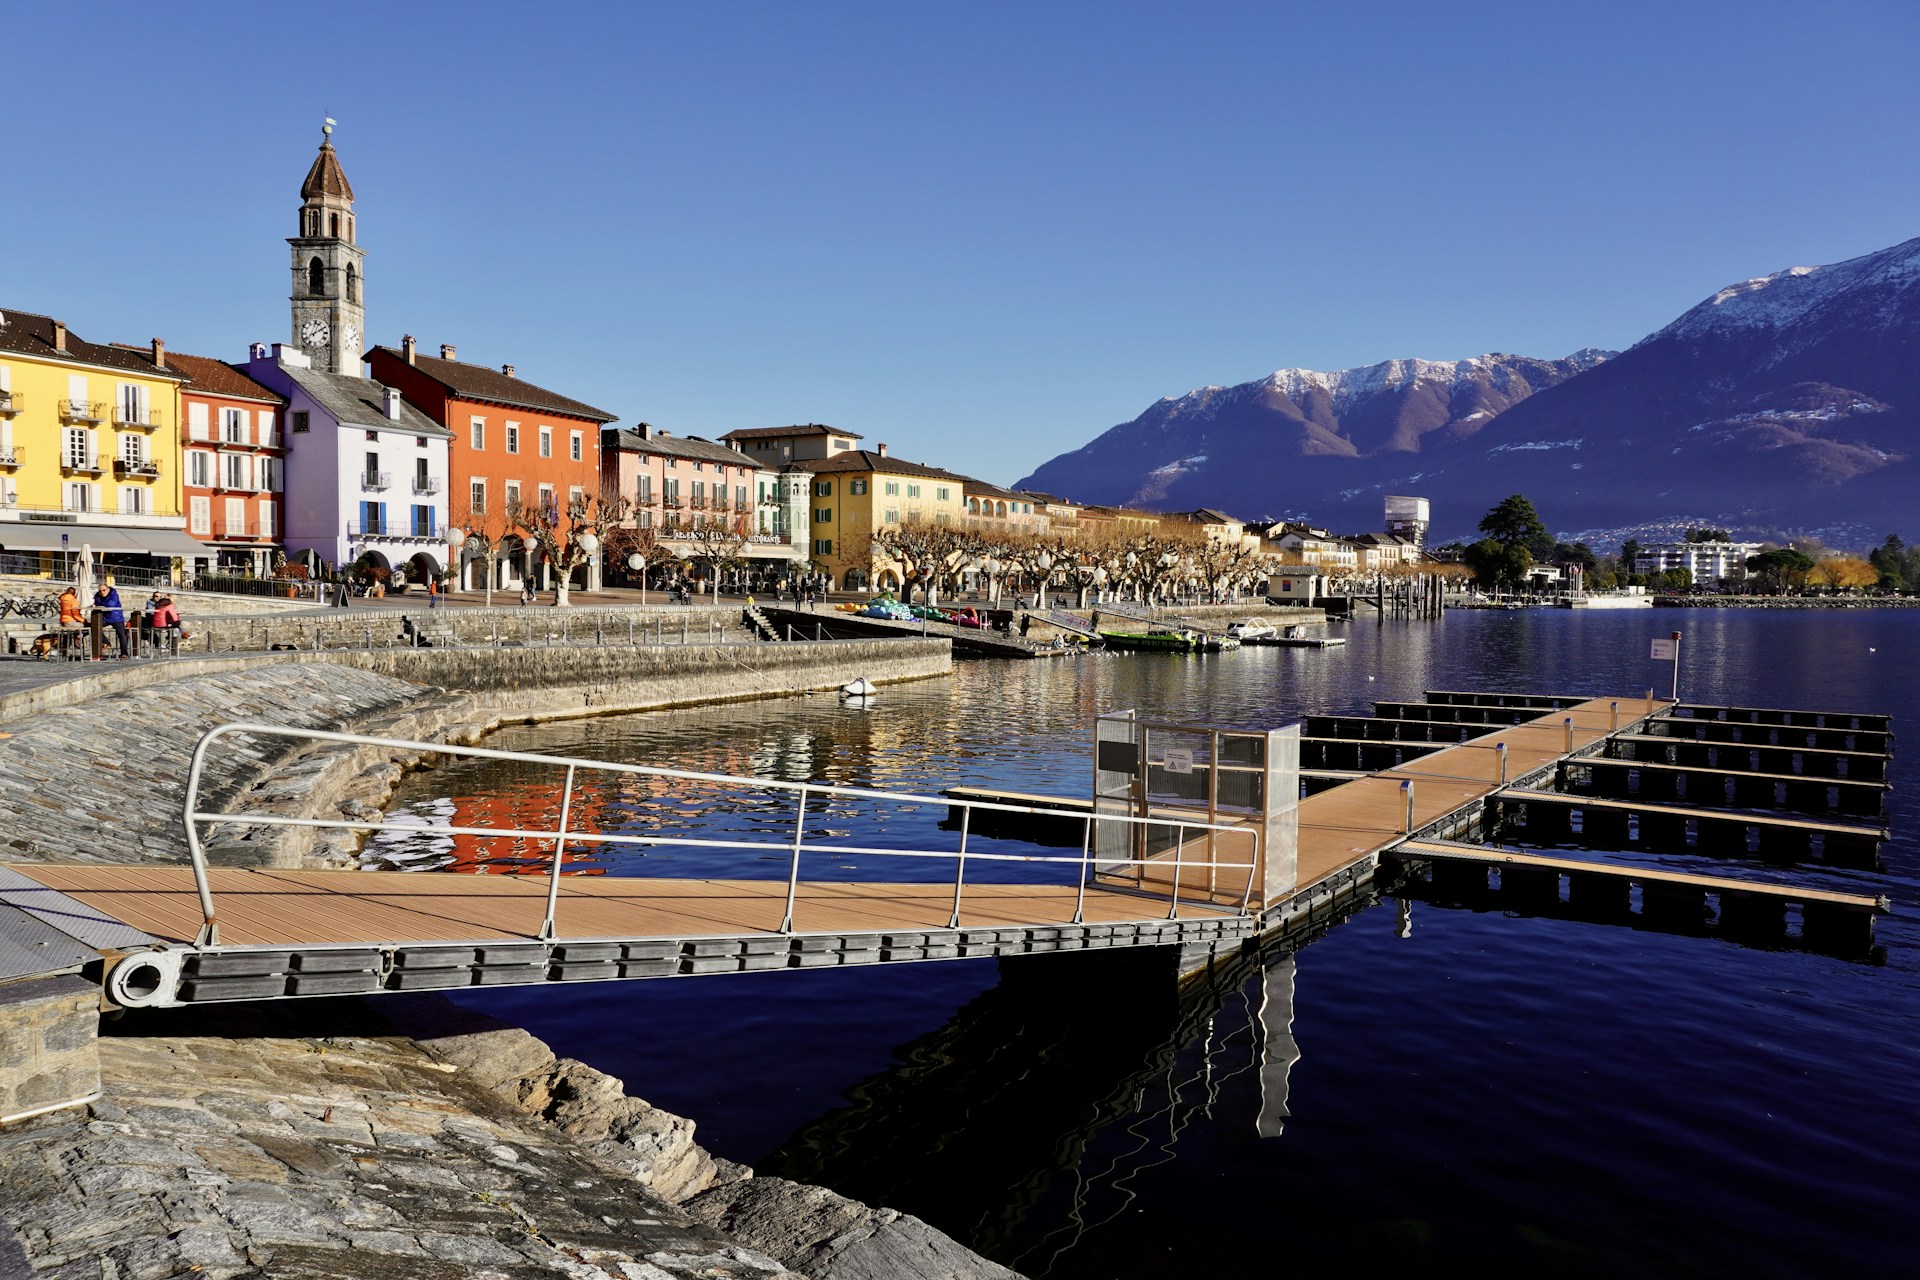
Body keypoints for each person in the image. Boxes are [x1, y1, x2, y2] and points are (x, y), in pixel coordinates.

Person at [93, 579, 128, 659]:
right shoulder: (97, 595)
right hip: (105, 617)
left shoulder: (114, 594)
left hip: (116, 617)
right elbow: (96, 602)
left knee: (122, 635)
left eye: (104, 590)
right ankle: (106, 642)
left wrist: (101, 604)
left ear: (108, 589)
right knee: (95, 627)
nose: (102, 592)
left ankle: (124, 654)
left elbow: (111, 604)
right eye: (100, 591)